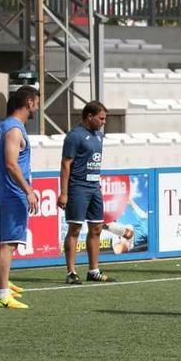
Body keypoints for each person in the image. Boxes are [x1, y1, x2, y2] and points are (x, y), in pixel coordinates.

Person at [0, 86, 40, 309]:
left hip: (1, 190)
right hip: (12, 193)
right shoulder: (15, 130)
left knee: (3, 243)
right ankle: (2, 294)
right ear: (29, 102)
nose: (37, 106)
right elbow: (11, 163)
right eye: (36, 102)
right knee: (8, 244)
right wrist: (28, 190)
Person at [58, 101, 115, 284]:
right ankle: (71, 272)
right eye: (101, 118)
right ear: (89, 116)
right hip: (78, 187)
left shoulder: (99, 135)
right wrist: (64, 193)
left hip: (94, 187)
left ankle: (93, 270)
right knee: (74, 228)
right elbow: (66, 164)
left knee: (97, 228)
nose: (103, 122)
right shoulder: (75, 136)